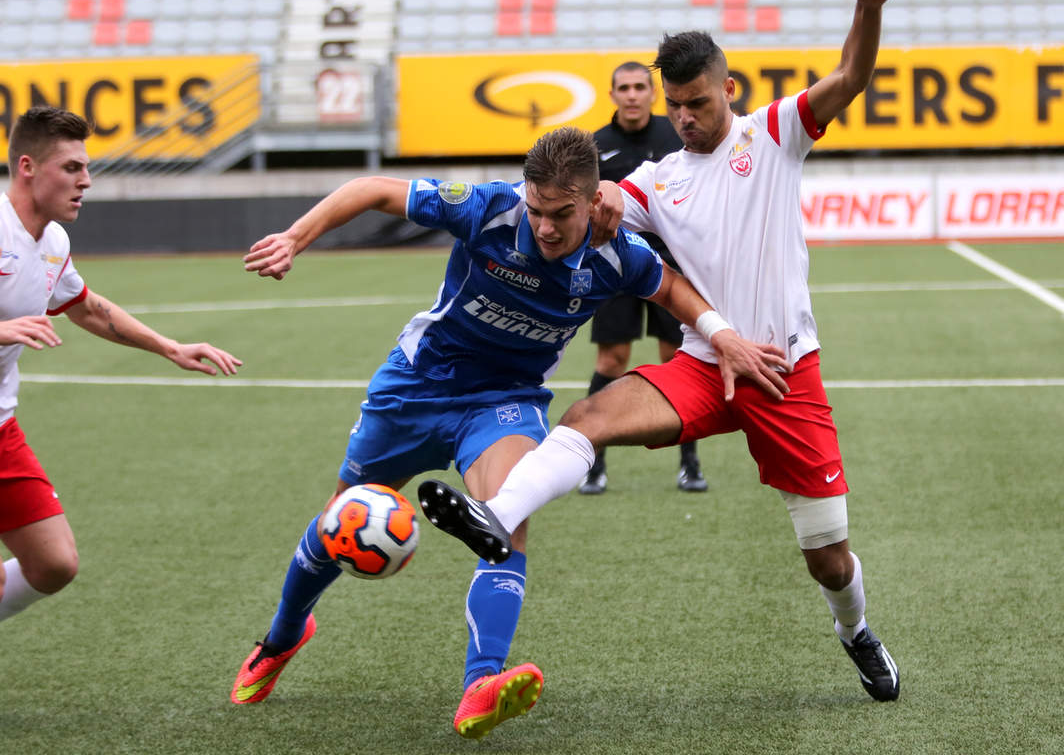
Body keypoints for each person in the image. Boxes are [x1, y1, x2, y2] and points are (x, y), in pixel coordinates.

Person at [419, 0, 904, 704]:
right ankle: (496, 517)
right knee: (589, 414)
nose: (684, 116)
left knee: (829, 561)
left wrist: (867, 7)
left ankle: (856, 633)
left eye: (696, 102)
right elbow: (606, 197)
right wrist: (602, 200)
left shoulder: (775, 134)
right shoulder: (664, 176)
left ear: (728, 91)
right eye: (675, 105)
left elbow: (850, 76)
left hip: (783, 372)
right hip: (705, 364)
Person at [230, 126, 788, 739]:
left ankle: (481, 684)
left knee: (506, 520)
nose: (546, 226)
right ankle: (283, 636)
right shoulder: (488, 208)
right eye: (537, 209)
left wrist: (724, 335)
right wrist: (293, 238)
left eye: (561, 214)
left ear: (591, 202)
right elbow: (370, 189)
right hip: (416, 386)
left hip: (505, 402)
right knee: (338, 521)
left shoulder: (615, 253)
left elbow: (671, 286)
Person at [0, 106, 242, 732]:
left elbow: (89, 308)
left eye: (86, 168)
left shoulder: (53, 241)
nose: (85, 181)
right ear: (27, 167)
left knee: (54, 565)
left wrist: (171, 347)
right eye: (72, 167)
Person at [583, 61, 707, 495]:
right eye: (624, 88)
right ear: (612, 94)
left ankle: (689, 465)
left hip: (672, 270)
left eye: (640, 87)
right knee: (611, 363)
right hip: (614, 272)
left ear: (652, 94)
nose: (632, 94)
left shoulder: (676, 137)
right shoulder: (595, 146)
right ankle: (593, 464)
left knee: (679, 362)